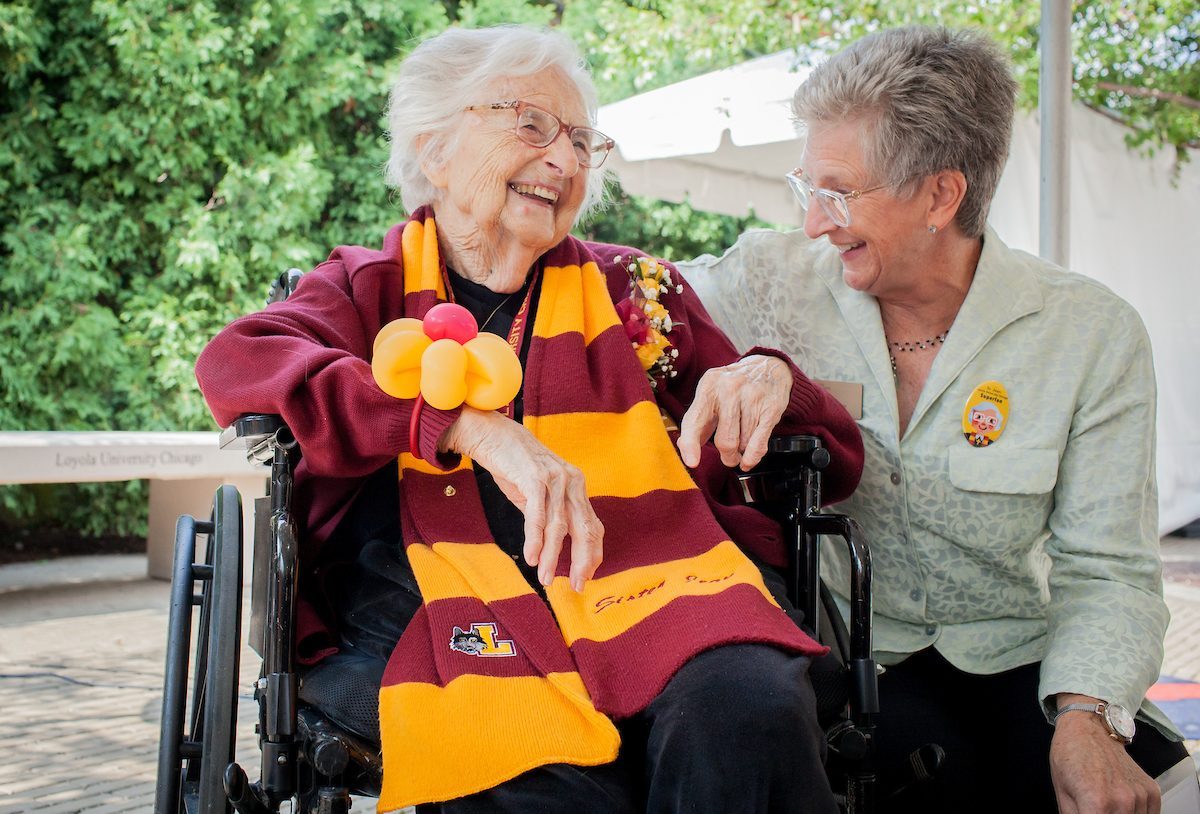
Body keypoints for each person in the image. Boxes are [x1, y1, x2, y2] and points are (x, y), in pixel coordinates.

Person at [195, 24, 864, 814]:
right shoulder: (365, 289)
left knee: (748, 712)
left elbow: (824, 455)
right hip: (439, 610)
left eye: (583, 141)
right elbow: (239, 361)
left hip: (656, 590)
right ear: (434, 148)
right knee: (535, 777)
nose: (567, 160)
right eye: (533, 126)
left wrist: (769, 378)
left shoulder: (635, 293)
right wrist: (462, 425)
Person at [680, 24, 1187, 814]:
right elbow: (624, 297)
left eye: (839, 192)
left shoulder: (1089, 332)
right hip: (847, 671)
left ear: (941, 196)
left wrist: (1091, 716)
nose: (814, 221)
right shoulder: (769, 279)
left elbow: (1109, 569)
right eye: (805, 186)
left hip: (1023, 666)